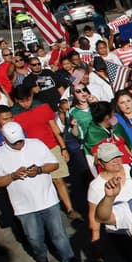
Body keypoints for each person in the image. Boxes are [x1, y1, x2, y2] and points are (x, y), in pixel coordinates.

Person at [0, 122, 82, 262]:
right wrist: (12, 176)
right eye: (14, 142)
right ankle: (41, 257)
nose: (19, 144)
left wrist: (39, 169)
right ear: (4, 139)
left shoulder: (36, 144)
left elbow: (54, 164)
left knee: (59, 234)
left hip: (48, 200)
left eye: (20, 140)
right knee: (35, 238)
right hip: (24, 207)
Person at [12, 82, 80, 219]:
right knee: (40, 183)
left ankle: (70, 209)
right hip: (31, 151)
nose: (25, 103)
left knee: (58, 180)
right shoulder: (14, 115)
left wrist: (63, 147)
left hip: (51, 147)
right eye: (21, 101)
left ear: (32, 96)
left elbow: (54, 128)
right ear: (16, 100)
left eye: (28, 99)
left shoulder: (43, 107)